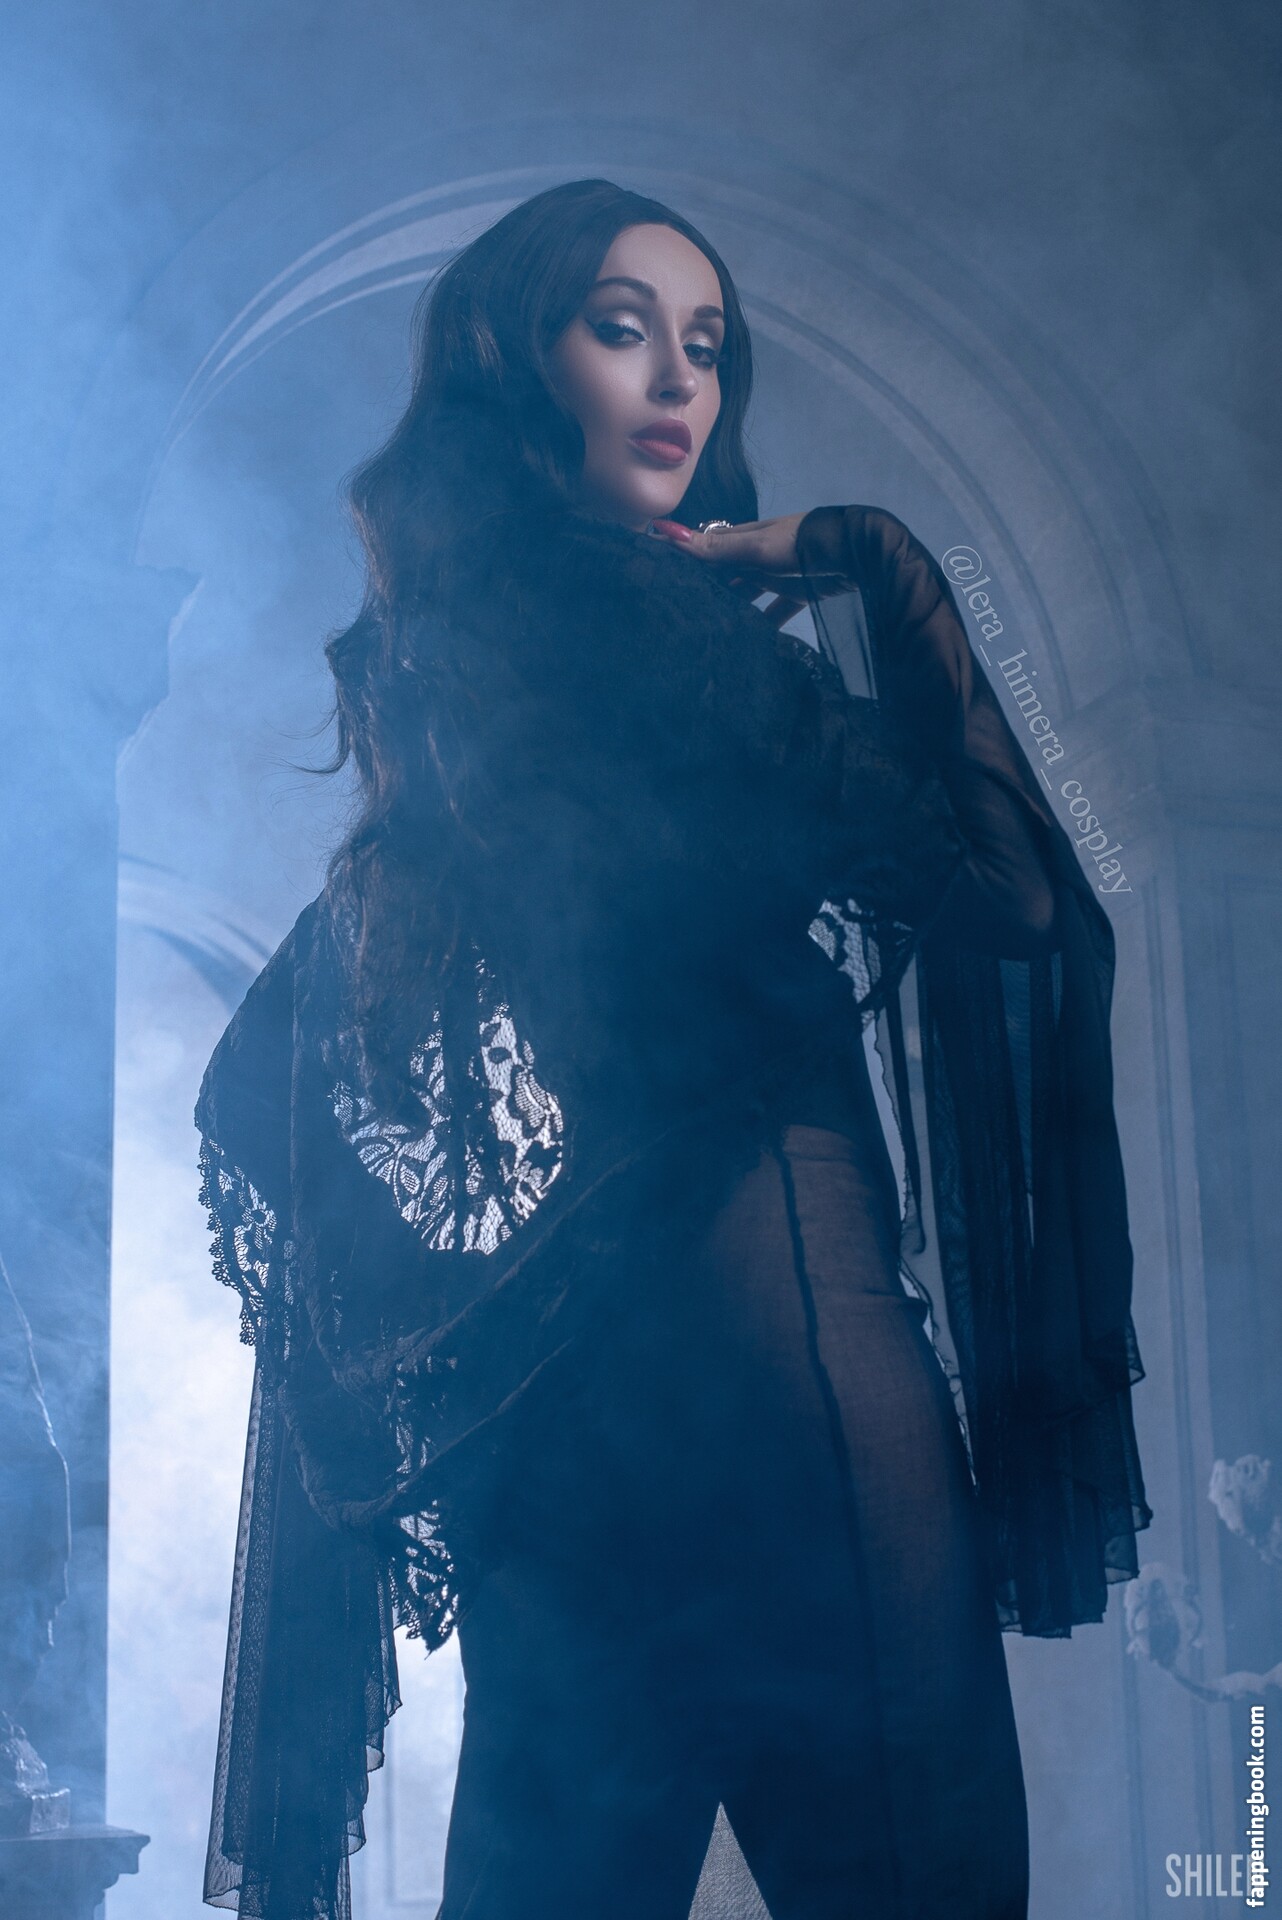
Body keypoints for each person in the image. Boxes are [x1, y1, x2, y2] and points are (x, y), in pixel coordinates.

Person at [197, 179, 1152, 1920]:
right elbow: (1015, 895)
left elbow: (273, 1075)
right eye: (619, 327)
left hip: (558, 1437)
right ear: (521, 360)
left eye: (703, 345)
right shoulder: (681, 654)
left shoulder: (439, 666)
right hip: (790, 1376)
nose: (675, 382)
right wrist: (880, 561)